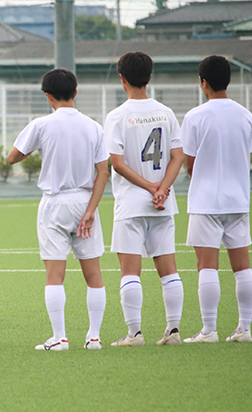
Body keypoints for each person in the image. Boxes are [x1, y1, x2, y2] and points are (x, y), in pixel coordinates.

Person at [7, 68, 109, 351]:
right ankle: (94, 337)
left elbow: (13, 157)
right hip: (85, 201)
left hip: (54, 203)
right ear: (75, 92)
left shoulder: (41, 124)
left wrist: (36, 146)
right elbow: (103, 171)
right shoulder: (93, 126)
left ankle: (60, 338)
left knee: (55, 275)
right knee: (94, 274)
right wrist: (91, 210)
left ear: (48, 96)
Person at [104, 52, 185, 347]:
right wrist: (162, 189)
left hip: (131, 204)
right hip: (163, 204)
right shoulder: (166, 112)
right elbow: (177, 157)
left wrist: (150, 188)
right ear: (149, 77)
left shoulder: (117, 116)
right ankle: (173, 330)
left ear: (121, 78)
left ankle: (134, 334)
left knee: (130, 272)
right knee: (169, 270)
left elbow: (117, 163)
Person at [181, 55, 252, 344]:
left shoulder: (195, 116)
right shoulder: (245, 115)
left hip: (206, 201)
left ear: (204, 83)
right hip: (238, 200)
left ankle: (209, 330)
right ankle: (244, 329)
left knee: (207, 266)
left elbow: (190, 163)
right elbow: (246, 154)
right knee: (243, 266)